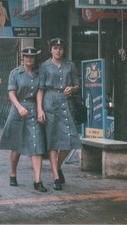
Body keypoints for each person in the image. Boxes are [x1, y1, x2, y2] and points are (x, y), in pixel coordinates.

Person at [0, 47, 47, 192]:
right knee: (16, 146)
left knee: (36, 144)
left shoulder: (39, 74)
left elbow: (39, 92)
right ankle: (13, 173)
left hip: (33, 108)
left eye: (32, 57)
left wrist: (40, 110)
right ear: (22, 58)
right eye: (27, 57)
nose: (29, 59)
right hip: (18, 110)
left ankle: (38, 180)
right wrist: (19, 107)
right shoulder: (15, 73)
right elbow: (11, 94)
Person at [37, 38, 81, 191]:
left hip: (66, 103)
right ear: (51, 50)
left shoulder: (70, 65)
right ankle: (56, 176)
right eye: (55, 48)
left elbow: (77, 84)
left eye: (61, 48)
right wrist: (40, 109)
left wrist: (72, 89)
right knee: (53, 141)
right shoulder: (44, 66)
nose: (58, 51)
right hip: (50, 102)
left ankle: (58, 166)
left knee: (70, 139)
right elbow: (41, 88)